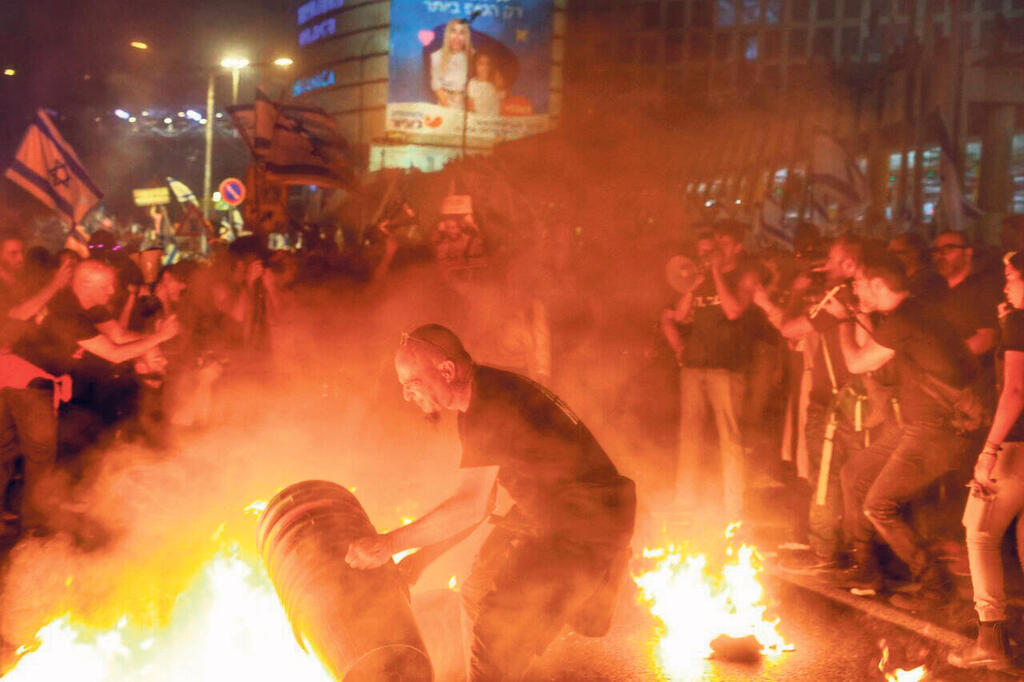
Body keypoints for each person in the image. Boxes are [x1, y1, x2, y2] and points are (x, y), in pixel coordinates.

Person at [346, 324, 635, 681]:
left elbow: (469, 503)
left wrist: (389, 544)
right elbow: (481, 504)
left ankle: (594, 583)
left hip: (585, 520)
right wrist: (425, 556)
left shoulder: (492, 404)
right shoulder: (480, 402)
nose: (407, 396)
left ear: (447, 370)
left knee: (500, 626)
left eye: (412, 383)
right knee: (479, 589)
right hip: (555, 512)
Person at [825, 249, 975, 607]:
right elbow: (876, 354)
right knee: (853, 472)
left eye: (859, 283)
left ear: (878, 284)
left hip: (935, 430)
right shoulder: (909, 312)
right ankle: (866, 567)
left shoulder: (907, 319)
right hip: (915, 424)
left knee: (879, 505)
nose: (854, 288)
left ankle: (934, 584)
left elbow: (858, 362)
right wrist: (859, 313)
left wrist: (843, 321)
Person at [948, 251, 1024, 671]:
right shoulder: (1011, 319)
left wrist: (989, 449)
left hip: (1015, 447)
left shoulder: (1019, 321)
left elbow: (1014, 392)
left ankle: (991, 639)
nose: (1005, 284)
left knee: (979, 531)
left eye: (1012, 276)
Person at [671, 220, 758, 517]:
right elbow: (681, 317)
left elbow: (734, 311)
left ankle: (735, 506)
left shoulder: (745, 276)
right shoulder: (702, 277)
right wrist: (692, 287)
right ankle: (684, 501)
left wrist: (718, 274)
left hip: (727, 368)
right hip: (695, 366)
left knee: (729, 438)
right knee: (689, 436)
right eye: (714, 245)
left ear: (737, 247)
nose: (716, 251)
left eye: (723, 245)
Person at [887, 232, 947, 300]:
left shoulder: (930, 281)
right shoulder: (909, 280)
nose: (889, 257)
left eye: (893, 252)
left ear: (914, 254)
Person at [430, 19, 472, 109]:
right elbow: (437, 86)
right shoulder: (436, 56)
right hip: (444, 103)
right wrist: (450, 109)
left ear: (466, 37)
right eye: (453, 32)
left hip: (465, 105)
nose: (457, 36)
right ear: (447, 35)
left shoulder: (471, 57)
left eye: (461, 33)